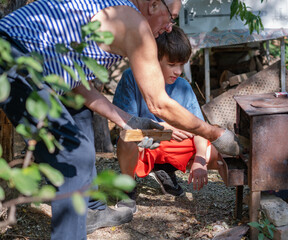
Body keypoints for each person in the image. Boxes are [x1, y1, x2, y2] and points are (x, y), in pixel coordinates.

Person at [0, 0, 241, 239]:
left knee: (80, 116)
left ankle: (90, 210)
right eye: (172, 17)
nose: (170, 27)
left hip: (34, 63)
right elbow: (159, 103)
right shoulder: (135, 25)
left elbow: (78, 86)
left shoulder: (113, 10)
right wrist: (214, 133)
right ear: (154, 5)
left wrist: (128, 120)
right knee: (74, 153)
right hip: (12, 52)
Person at [113, 26, 226, 212]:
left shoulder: (183, 86)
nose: (178, 71)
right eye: (172, 65)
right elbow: (125, 128)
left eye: (182, 65)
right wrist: (162, 129)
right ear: (154, 61)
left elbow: (199, 128)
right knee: (126, 139)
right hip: (143, 145)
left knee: (212, 151)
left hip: (170, 146)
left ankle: (165, 170)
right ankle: (127, 185)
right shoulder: (130, 78)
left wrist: (200, 159)